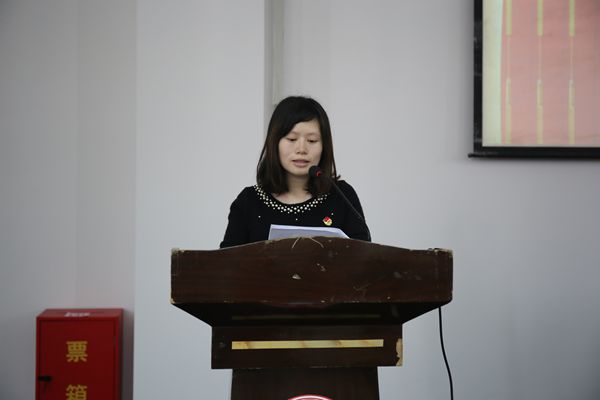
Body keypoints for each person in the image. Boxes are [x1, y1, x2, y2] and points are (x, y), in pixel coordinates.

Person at [219, 96, 370, 248]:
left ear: (324, 146)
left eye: (312, 141)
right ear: (274, 142)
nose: (301, 149)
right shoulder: (249, 202)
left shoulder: (342, 196)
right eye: (292, 139)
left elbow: (365, 256)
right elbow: (227, 260)